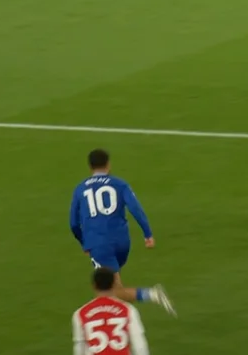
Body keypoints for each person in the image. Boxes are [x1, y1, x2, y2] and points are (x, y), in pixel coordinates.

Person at [70, 149, 175, 313]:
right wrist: (147, 234)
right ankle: (120, 314)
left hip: (99, 244)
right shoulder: (120, 184)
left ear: (90, 166)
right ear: (108, 164)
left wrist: (84, 243)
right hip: (122, 243)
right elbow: (135, 209)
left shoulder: (80, 189)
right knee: (113, 287)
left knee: (111, 291)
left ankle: (152, 294)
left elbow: (73, 223)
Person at [72, 267, 150, 355]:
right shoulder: (127, 310)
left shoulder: (81, 313)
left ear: (94, 286)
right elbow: (139, 345)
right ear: (114, 284)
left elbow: (79, 347)